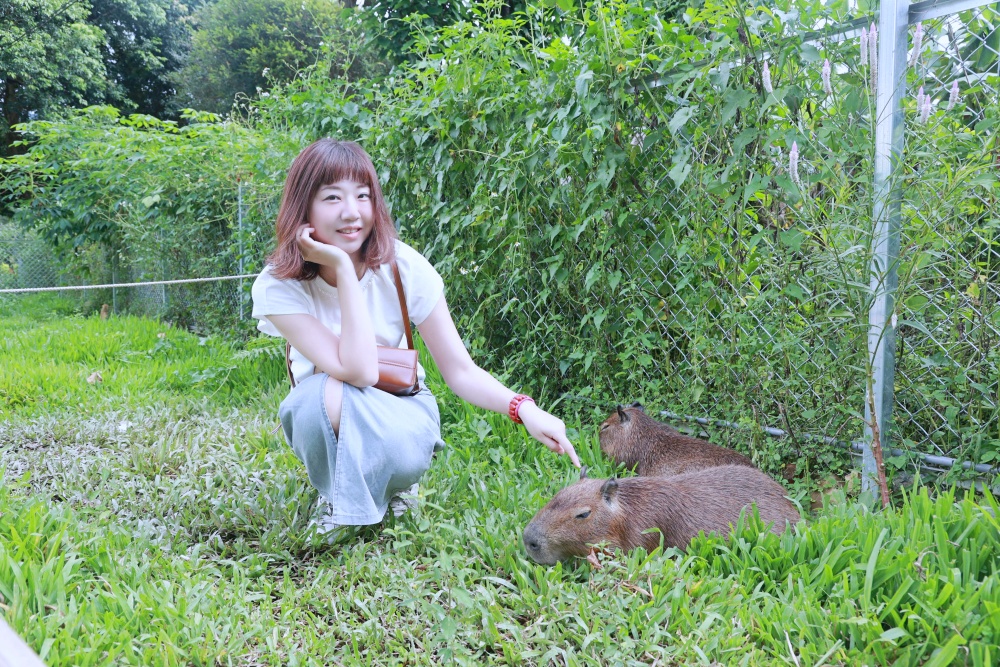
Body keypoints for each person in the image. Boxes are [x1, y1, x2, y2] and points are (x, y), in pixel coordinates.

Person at [251, 139, 580, 538]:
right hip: (326, 408)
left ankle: (397, 486)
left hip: (400, 412)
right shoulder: (278, 286)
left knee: (334, 393)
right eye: (332, 197)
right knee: (322, 394)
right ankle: (337, 498)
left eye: (362, 196)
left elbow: (459, 370)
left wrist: (524, 409)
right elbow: (355, 369)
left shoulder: (403, 266)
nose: (351, 212)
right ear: (303, 207)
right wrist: (338, 263)